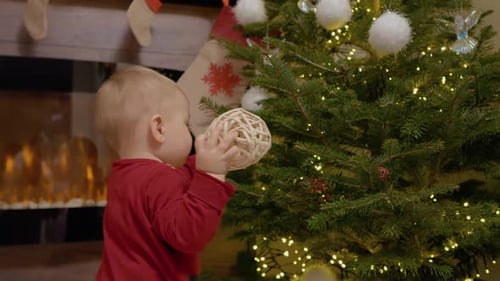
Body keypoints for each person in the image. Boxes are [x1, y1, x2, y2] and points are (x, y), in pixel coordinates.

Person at [94, 65, 239, 281]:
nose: (188, 129)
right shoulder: (160, 178)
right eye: (185, 122)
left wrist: (202, 159)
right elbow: (189, 234)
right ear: (159, 128)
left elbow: (177, 180)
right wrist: (211, 173)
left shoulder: (123, 176)